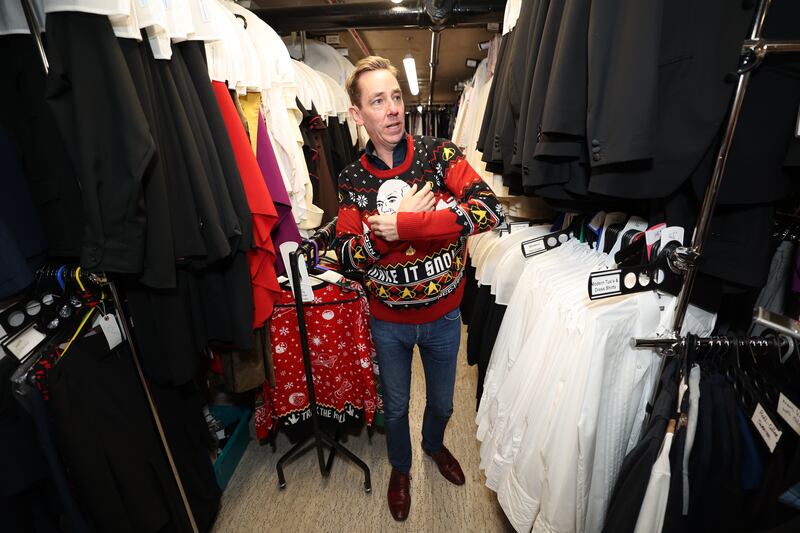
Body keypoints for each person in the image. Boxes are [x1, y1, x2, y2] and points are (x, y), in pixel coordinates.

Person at [334, 56, 505, 521]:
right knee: (395, 407)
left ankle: (433, 446)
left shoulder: (438, 154)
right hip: (387, 322)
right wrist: (381, 234)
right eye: (377, 101)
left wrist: (410, 223)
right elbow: (346, 257)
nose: (392, 110)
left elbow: (491, 211)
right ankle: (401, 467)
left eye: (396, 97)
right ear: (357, 115)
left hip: (444, 317)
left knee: (444, 402)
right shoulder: (352, 181)